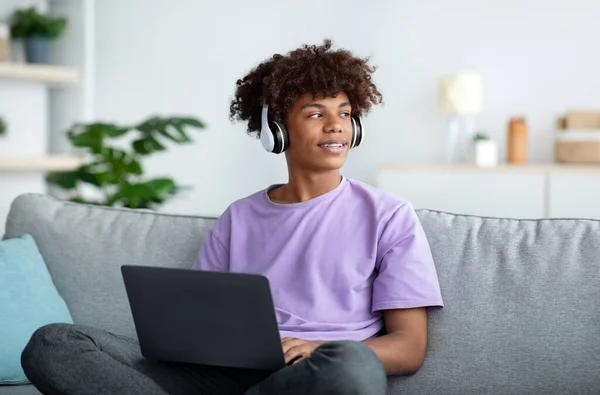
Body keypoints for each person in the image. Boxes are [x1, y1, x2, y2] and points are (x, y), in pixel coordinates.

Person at [21, 39, 443, 395]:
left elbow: (409, 348)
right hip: (222, 376)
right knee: (53, 342)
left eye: (346, 113)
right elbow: (198, 327)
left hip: (314, 373)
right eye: (316, 113)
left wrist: (318, 347)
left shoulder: (388, 215)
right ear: (276, 128)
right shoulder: (239, 217)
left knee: (352, 366)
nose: (337, 126)